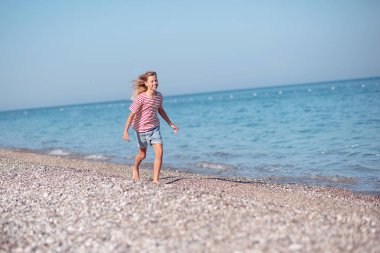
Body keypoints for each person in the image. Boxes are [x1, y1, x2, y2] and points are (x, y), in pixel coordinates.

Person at [123, 71, 179, 183]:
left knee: (159, 152)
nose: (155, 83)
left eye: (156, 80)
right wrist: (126, 131)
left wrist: (170, 123)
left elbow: (161, 111)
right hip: (141, 130)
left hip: (154, 128)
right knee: (142, 155)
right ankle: (135, 168)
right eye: (152, 81)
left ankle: (155, 179)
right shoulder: (141, 98)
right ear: (146, 83)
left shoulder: (159, 96)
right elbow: (131, 115)